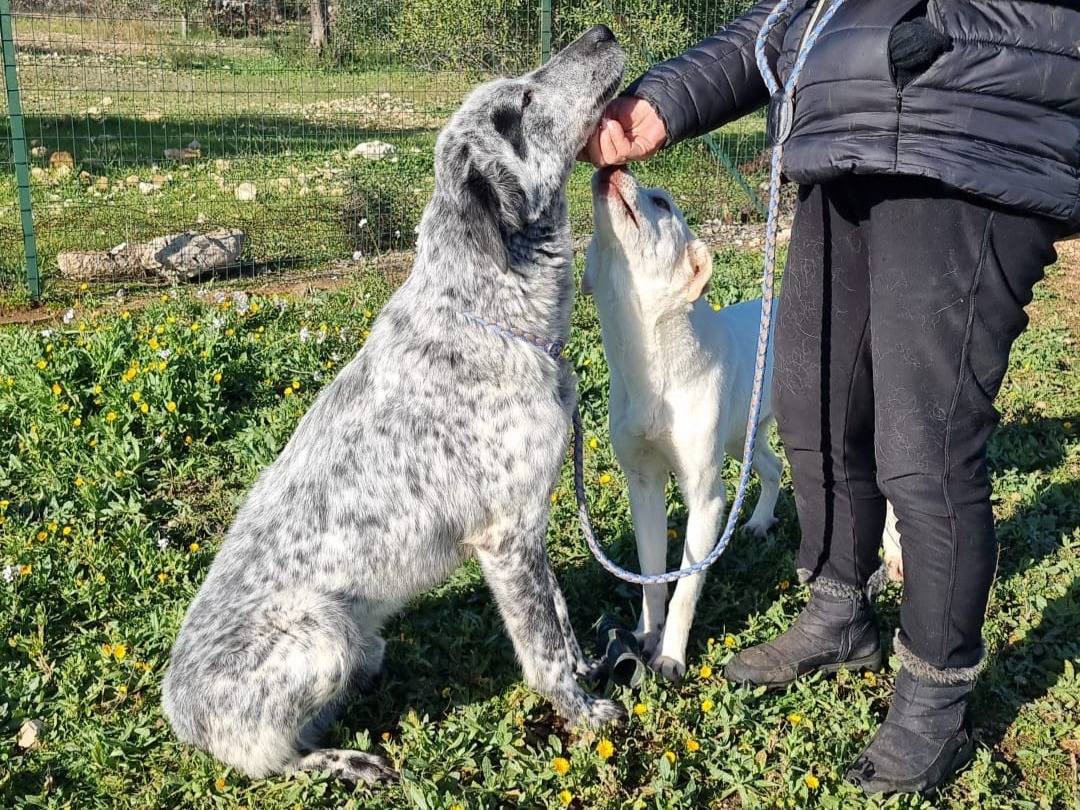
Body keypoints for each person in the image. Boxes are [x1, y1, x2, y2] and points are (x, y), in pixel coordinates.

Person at [581, 1, 1079, 796]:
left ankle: (933, 697)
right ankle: (839, 611)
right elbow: (785, 16)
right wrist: (663, 102)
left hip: (973, 133)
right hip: (843, 140)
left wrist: (946, 28)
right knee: (811, 408)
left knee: (923, 445)